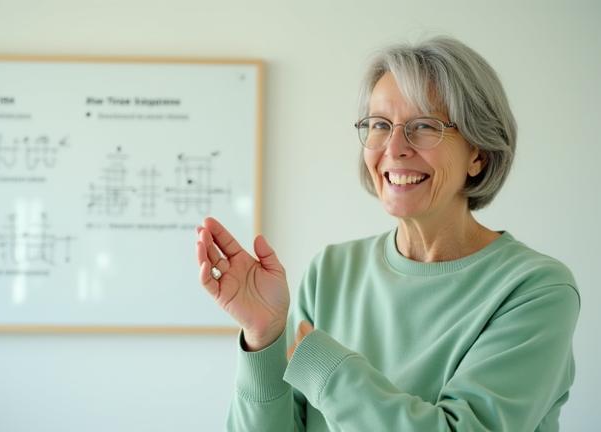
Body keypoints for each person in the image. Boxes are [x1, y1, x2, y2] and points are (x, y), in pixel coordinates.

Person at [195, 36, 580, 431]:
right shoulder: (331, 271)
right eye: (380, 125)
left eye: (424, 126)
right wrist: (263, 337)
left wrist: (328, 371)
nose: (394, 148)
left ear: (478, 153)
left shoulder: (536, 289)